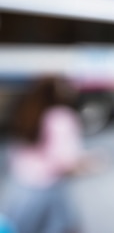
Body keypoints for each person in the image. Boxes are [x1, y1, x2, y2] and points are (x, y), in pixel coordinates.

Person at [0, 77, 85, 233]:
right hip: (48, 190)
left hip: (19, 188)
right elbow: (66, 161)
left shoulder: (25, 111)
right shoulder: (61, 116)